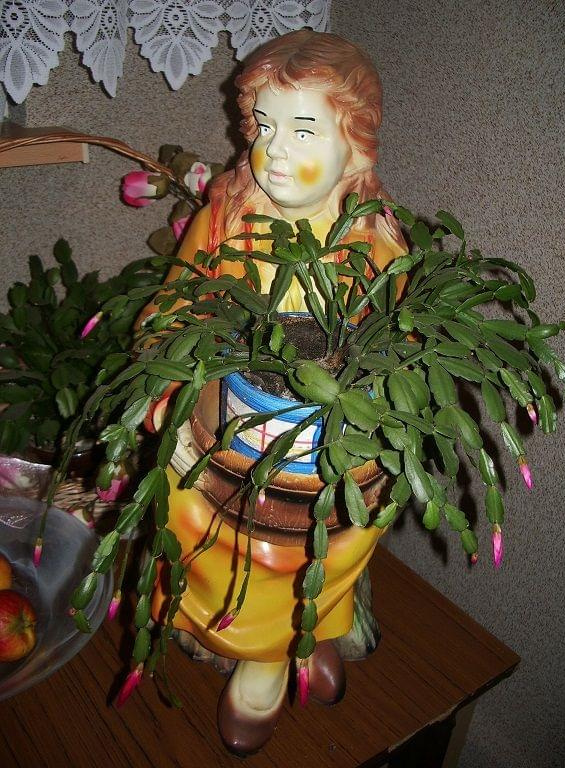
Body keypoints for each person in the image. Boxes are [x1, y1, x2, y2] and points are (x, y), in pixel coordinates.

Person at [147, 29, 408, 755]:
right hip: (228, 441)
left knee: (333, 541)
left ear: (356, 146)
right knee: (221, 538)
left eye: (304, 130)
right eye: (263, 127)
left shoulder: (377, 244)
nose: (276, 151)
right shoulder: (224, 222)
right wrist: (164, 381)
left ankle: (303, 636)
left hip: (327, 457)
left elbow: (405, 343)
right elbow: (172, 308)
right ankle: (263, 657)